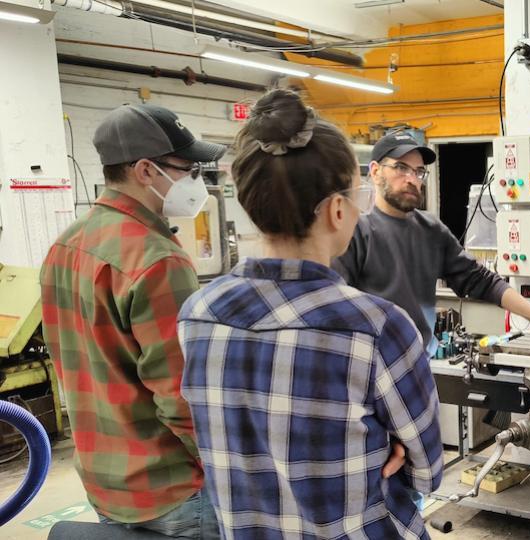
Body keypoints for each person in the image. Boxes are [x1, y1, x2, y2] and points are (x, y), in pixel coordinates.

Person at [177, 90, 443, 539]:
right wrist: (383, 445)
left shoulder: (198, 313)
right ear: (339, 210)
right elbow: (426, 471)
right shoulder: (377, 327)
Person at [39, 104, 225, 538]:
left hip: (105, 482)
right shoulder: (158, 260)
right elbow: (182, 397)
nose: (196, 181)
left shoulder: (65, 246)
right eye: (188, 168)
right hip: (174, 489)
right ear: (146, 170)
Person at [333, 132, 530, 354]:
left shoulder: (431, 230)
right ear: (375, 172)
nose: (412, 179)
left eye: (419, 171)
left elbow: (480, 280)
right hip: (373, 369)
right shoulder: (356, 231)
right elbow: (336, 307)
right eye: (401, 168)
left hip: (420, 366)